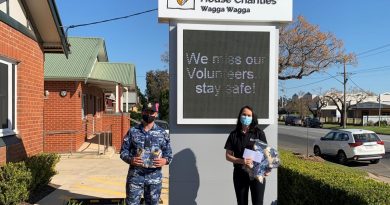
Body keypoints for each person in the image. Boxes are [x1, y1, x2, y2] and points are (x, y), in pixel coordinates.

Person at [120, 102, 172, 205]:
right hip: (135, 177)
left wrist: (164, 160)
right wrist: (131, 159)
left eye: (151, 112)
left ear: (156, 114)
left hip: (154, 178)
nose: (148, 114)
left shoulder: (162, 133)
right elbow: (123, 151)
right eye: (146, 111)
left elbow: (169, 154)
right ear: (142, 112)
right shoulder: (133, 131)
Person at [224, 105, 269, 205]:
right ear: (240, 116)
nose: (246, 117)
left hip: (257, 173)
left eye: (249, 115)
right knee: (241, 202)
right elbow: (228, 155)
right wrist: (241, 161)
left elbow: (266, 154)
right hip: (240, 174)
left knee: (258, 202)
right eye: (244, 114)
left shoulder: (259, 133)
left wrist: (267, 169)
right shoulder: (234, 135)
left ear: (252, 117)